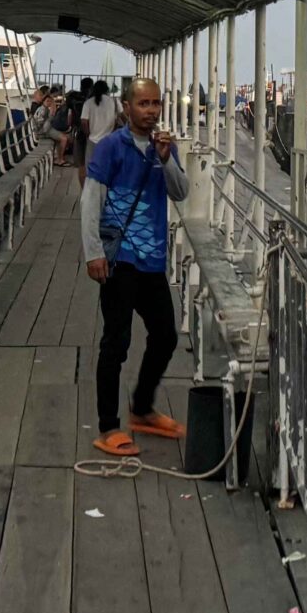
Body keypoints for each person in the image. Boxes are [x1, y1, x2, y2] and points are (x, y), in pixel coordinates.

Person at [82, 78, 188, 458]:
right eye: (143, 103)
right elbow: (91, 200)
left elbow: (180, 192)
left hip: (152, 259)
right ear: (126, 107)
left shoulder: (164, 146)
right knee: (116, 342)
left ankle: (142, 407)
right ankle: (108, 426)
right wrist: (93, 252)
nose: (152, 110)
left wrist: (165, 159)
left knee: (165, 335)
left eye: (156, 103)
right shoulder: (111, 147)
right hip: (120, 259)